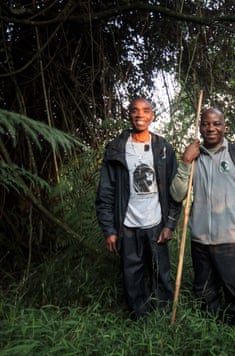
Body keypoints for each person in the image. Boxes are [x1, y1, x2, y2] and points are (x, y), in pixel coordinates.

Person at [170, 107, 235, 326]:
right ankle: (211, 332)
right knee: (204, 293)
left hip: (231, 241)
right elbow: (176, 194)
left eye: (216, 124)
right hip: (200, 240)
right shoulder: (194, 156)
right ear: (200, 127)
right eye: (206, 124)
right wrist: (184, 162)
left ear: (225, 127)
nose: (211, 128)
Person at [95, 97, 182, 320]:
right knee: (131, 275)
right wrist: (110, 230)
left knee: (160, 274)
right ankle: (139, 318)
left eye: (145, 111)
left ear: (152, 116)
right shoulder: (116, 148)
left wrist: (170, 224)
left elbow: (174, 191)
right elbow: (106, 192)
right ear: (129, 115)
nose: (139, 115)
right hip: (127, 226)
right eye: (135, 111)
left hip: (156, 224)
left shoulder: (162, 148)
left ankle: (163, 317)